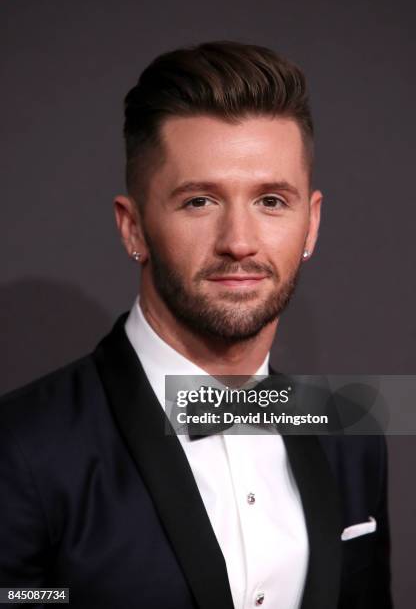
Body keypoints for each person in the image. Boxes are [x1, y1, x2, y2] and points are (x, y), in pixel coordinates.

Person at [0, 41, 392, 609]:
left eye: (272, 201)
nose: (239, 242)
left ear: (311, 225)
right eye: (200, 201)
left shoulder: (350, 437)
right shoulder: (19, 449)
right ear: (132, 227)